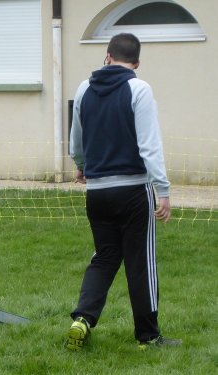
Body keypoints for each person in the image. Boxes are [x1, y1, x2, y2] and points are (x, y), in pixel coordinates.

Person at [67, 33, 181, 351]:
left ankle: (83, 318)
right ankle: (148, 336)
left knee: (104, 257)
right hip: (132, 190)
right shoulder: (139, 89)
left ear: (107, 56)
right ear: (137, 64)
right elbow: (149, 145)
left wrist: (81, 165)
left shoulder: (84, 88)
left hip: (98, 192)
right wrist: (164, 190)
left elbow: (76, 139)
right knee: (139, 261)